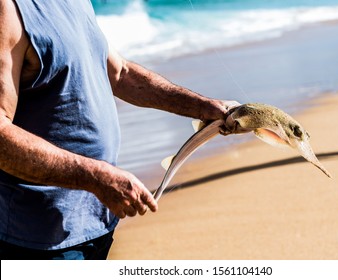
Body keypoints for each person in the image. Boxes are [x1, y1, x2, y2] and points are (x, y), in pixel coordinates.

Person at [0, 0, 236, 259]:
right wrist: (97, 177)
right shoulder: (8, 10)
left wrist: (203, 107)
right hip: (37, 238)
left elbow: (120, 73)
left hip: (95, 220)